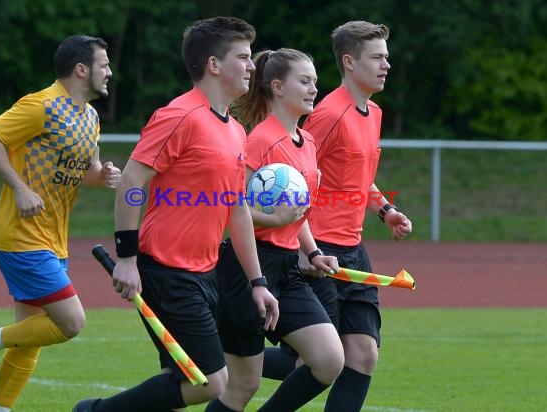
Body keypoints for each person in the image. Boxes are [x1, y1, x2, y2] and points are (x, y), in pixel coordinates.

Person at [73, 17, 279, 412]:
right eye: (243, 57)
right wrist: (128, 258)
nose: (253, 66)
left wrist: (258, 281)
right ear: (214, 65)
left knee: (183, 377)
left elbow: (236, 209)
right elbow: (133, 179)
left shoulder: (236, 130)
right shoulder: (179, 115)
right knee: (210, 382)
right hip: (166, 271)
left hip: (207, 271)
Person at [262, 21, 413, 411]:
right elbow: (295, 177)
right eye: (377, 57)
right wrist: (301, 246)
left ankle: (232, 355)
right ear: (349, 61)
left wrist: (386, 209)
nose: (387, 65)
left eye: (387, 57)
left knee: (363, 355)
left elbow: (358, 176)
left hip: (353, 246)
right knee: (320, 358)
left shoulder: (374, 113)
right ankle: (228, 355)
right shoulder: (328, 113)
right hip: (319, 249)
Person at [0, 35, 120, 412]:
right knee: (71, 322)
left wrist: (101, 175)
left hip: (52, 240)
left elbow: (85, 170)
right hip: (20, 236)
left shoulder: (89, 117)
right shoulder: (41, 105)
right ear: (81, 69)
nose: (110, 72)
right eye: (104, 65)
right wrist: (19, 188)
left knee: (31, 338)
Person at [206, 48, 344, 412]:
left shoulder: (308, 140)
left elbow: (295, 213)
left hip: (288, 268)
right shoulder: (260, 140)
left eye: (315, 81)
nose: (314, 88)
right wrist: (276, 221)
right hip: (246, 266)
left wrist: (312, 252)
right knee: (242, 386)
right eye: (305, 81)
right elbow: (232, 211)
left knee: (330, 359)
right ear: (278, 87)